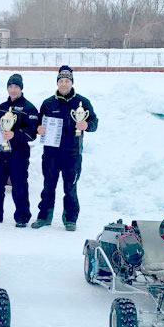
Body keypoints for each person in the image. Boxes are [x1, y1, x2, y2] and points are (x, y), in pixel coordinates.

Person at [31, 65, 99, 231]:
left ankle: (70, 219)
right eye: (61, 81)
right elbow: (38, 123)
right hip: (51, 154)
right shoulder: (48, 103)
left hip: (72, 153)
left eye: (67, 81)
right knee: (48, 186)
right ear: (57, 83)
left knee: (70, 187)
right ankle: (44, 216)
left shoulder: (82, 102)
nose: (64, 84)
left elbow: (94, 122)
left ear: (72, 82)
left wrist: (86, 125)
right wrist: (39, 129)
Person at [0, 74, 39, 227]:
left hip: (19, 153)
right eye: (10, 87)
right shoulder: (1, 107)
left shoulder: (29, 108)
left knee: (19, 186)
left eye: (16, 87)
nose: (13, 90)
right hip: (1, 152)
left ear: (21, 88)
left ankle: (22, 217)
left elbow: (32, 133)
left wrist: (15, 134)